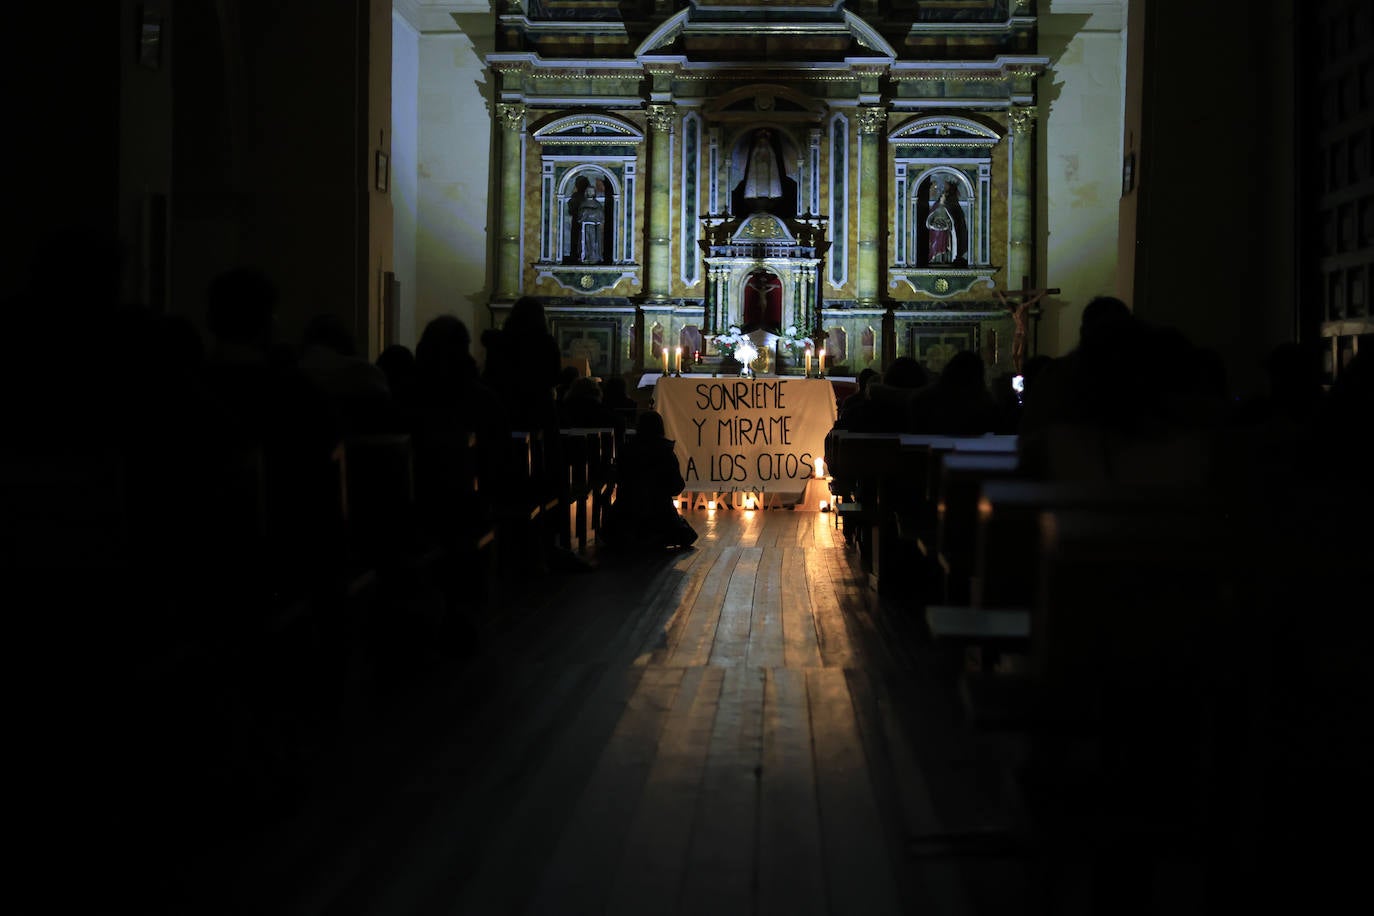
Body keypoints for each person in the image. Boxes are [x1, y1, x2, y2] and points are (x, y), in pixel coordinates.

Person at [602, 411, 697, 550]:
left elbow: (619, 478)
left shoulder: (626, 449)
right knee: (688, 534)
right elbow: (676, 487)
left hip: (627, 513)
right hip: (659, 512)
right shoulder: (666, 451)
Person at [743, 129, 783, 201]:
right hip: (758, 171)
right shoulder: (757, 149)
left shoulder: (769, 150)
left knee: (767, 184)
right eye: (761, 141)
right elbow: (753, 158)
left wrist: (766, 160)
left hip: (767, 170)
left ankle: (769, 194)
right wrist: (759, 159)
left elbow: (772, 159)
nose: (763, 143)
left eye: (764, 141)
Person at [926, 182, 957, 265]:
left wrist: (947, 225)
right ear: (940, 198)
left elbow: (950, 220)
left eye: (945, 197)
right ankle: (935, 259)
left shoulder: (947, 208)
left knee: (944, 245)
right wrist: (934, 225)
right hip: (935, 231)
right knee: (935, 245)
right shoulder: (936, 207)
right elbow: (929, 220)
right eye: (943, 197)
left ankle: (944, 260)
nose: (944, 199)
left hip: (944, 230)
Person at [576, 185, 603, 264]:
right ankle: (585, 257)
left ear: (594, 192)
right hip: (584, 227)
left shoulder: (597, 204)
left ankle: (594, 257)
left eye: (592, 191)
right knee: (585, 241)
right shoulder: (583, 203)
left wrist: (587, 212)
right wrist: (590, 212)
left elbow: (600, 214)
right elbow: (580, 214)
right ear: (586, 192)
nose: (590, 192)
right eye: (589, 191)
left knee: (594, 242)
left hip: (594, 227)